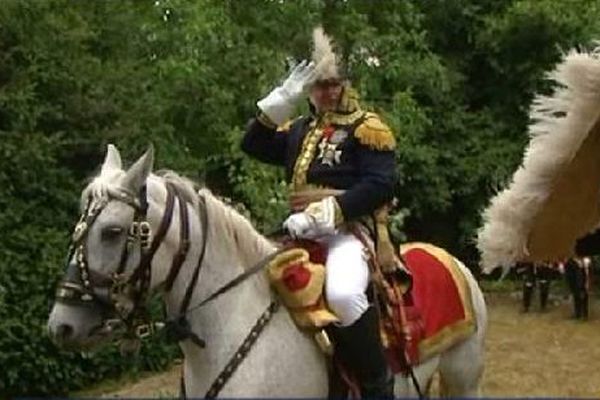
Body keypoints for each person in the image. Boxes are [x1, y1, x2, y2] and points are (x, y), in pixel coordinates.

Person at [241, 27, 398, 397]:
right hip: (297, 232)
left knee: (343, 295)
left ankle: (378, 385)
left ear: (344, 85)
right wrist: (281, 98)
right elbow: (252, 144)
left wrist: (327, 211)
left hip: (349, 232)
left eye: (332, 84)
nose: (326, 92)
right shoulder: (299, 130)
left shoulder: (367, 128)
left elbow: (380, 185)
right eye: (318, 85)